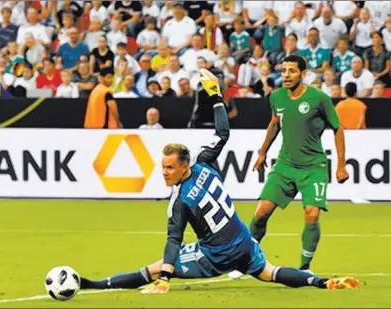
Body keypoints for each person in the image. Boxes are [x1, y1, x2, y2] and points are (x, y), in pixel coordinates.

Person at [78, 69, 359, 293]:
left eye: (169, 168)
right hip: (245, 242)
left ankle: (95, 285)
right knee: (269, 272)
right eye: (162, 167)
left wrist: (164, 277)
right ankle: (320, 282)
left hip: (217, 256)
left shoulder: (179, 200)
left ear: (183, 166)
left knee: (154, 268)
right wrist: (216, 98)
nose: (164, 172)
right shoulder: (204, 161)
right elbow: (223, 132)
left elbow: (173, 241)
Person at [229, 55, 350, 279]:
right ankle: (244, 260)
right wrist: (262, 152)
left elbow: (338, 128)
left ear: (303, 74)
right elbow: (275, 123)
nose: (286, 75)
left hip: (313, 167)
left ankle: (305, 267)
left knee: (312, 214)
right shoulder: (276, 97)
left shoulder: (319, 98)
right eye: (284, 70)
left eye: (292, 71)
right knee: (261, 212)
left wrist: (341, 166)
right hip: (285, 164)